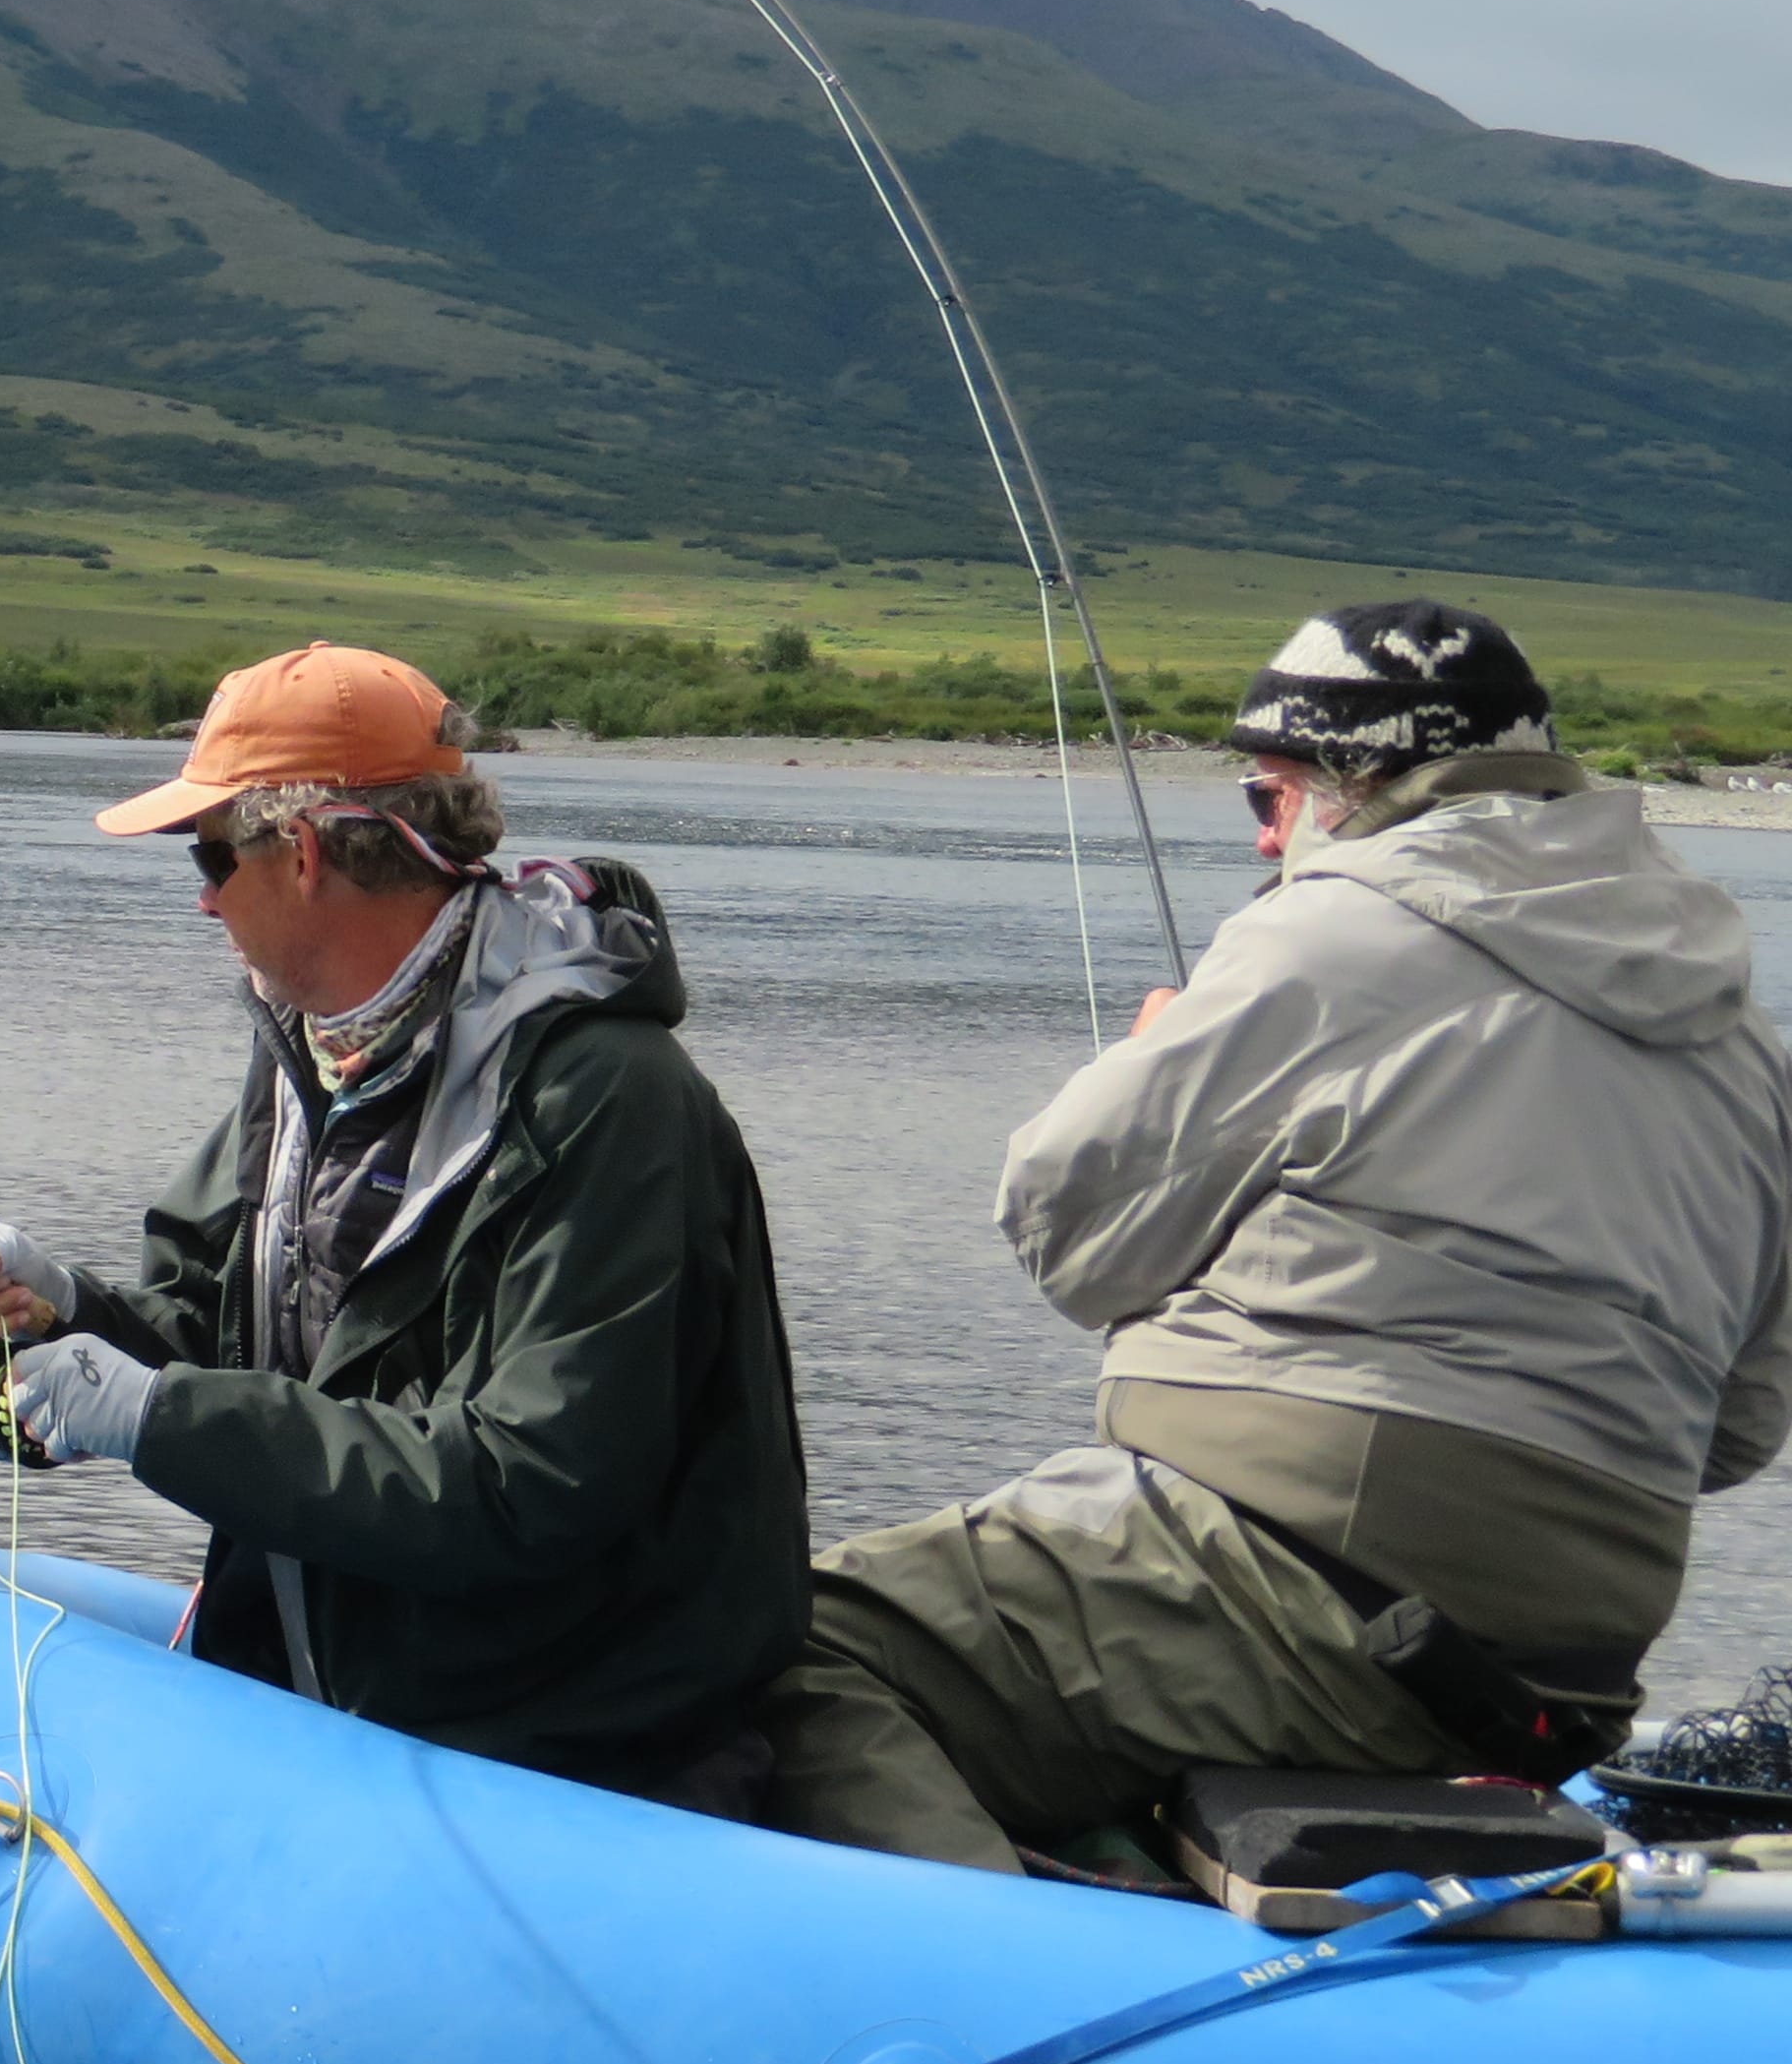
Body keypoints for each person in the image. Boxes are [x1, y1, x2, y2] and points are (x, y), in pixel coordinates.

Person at [764, 600, 1792, 1871]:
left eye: (1266, 796)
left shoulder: (1332, 930)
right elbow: (1737, 1433)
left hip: (1308, 1599)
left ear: (1351, 782)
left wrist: (1147, 1058)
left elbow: (1066, 1231)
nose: (1264, 837)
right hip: (1574, 1664)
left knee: (792, 1651)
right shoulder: (1742, 1041)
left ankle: (998, 2015)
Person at [0, 639, 811, 1809]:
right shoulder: (307, 1051)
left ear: (307, 852)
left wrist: (157, 1416)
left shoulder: (609, 1102)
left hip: (569, 1754)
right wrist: (57, 1316)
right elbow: (244, 1353)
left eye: (212, 852)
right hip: (348, 1712)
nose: (202, 893)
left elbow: (528, 1486)